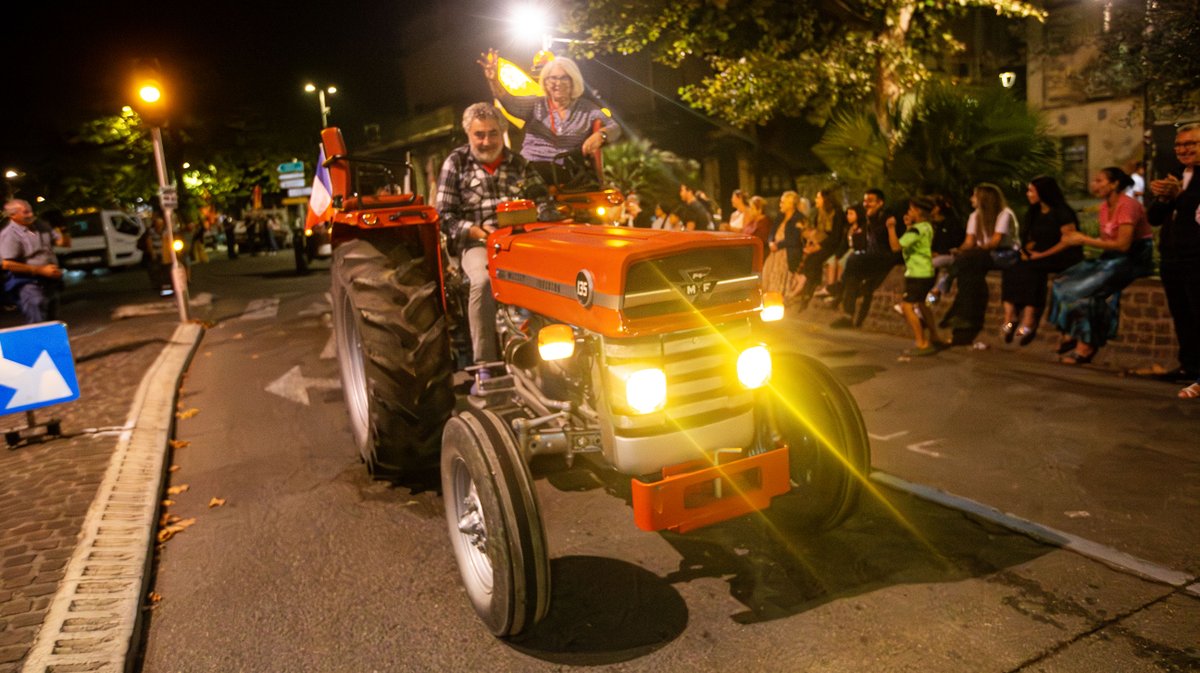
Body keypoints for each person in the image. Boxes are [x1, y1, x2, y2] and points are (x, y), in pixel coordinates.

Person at [436, 103, 548, 368]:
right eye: (480, 134)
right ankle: (484, 365)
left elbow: (544, 201)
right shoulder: (456, 163)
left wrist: (543, 219)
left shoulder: (519, 164)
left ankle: (546, 354)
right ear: (468, 134)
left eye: (493, 133)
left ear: (502, 132)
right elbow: (443, 216)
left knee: (550, 276)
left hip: (519, 243)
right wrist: (474, 230)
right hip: (477, 244)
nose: (486, 141)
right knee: (485, 281)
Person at [1048, 167, 1154, 365]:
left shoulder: (1127, 206)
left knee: (1085, 291)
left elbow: (1123, 245)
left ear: (1114, 184)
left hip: (1132, 258)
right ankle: (1071, 332)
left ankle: (1085, 346)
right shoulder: (1105, 207)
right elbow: (1107, 241)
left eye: (1099, 180)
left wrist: (1084, 240)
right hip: (1111, 257)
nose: (1093, 185)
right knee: (1062, 281)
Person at [480, 51, 619, 185]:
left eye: (563, 78)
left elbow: (614, 127)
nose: (557, 83)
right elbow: (509, 102)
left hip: (565, 170)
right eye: (552, 78)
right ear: (545, 83)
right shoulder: (536, 105)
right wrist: (494, 81)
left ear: (573, 81)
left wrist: (602, 135)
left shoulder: (587, 109)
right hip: (531, 167)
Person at [1147, 123, 1200, 391]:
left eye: (1191, 143)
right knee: (1182, 314)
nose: (1183, 149)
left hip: (1197, 257)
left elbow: (1194, 212)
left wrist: (1178, 195)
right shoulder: (1176, 174)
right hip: (1173, 256)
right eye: (1179, 145)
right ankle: (1188, 366)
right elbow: (1153, 218)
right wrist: (1163, 198)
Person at [1000, 177, 1083, 346]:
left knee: (1032, 269)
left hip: (1061, 255)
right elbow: (1030, 237)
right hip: (1038, 253)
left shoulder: (1062, 212)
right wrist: (1026, 251)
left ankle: (1030, 316)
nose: (1028, 194)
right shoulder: (1034, 212)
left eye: (1031, 191)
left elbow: (1069, 241)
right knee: (1011, 266)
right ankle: (1010, 315)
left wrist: (1041, 255)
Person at [938, 183, 1019, 345]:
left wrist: (970, 252)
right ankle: (962, 324)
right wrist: (960, 250)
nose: (971, 199)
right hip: (982, 256)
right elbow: (969, 242)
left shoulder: (1004, 214)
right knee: (967, 278)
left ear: (984, 199)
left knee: (966, 262)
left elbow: (995, 242)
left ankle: (944, 282)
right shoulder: (975, 216)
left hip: (1004, 254)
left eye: (974, 196)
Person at [832, 189, 897, 328]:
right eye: (865, 201)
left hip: (884, 258)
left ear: (880, 203)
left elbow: (882, 239)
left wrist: (872, 217)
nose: (866, 204)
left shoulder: (885, 217)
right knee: (852, 280)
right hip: (871, 258)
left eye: (870, 201)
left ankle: (840, 286)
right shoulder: (868, 219)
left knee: (854, 259)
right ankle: (848, 316)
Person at [887, 196, 941, 356]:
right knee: (923, 304)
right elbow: (911, 243)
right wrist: (909, 226)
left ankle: (921, 342)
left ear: (918, 211)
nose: (908, 212)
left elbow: (896, 246)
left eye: (911, 209)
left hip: (917, 273)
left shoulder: (916, 230)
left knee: (907, 306)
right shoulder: (926, 226)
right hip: (927, 271)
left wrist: (891, 228)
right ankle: (934, 336)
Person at [0, 199, 64, 323]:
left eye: (30, 211)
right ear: (13, 215)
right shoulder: (9, 235)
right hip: (28, 284)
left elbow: (62, 242)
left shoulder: (40, 226)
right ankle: (39, 342)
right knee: (38, 319)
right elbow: (6, 264)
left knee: (52, 320)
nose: (30, 215)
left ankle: (50, 342)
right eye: (25, 212)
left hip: (48, 282)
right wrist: (41, 270)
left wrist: (63, 227)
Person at [794, 187, 847, 309]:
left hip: (833, 244)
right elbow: (818, 231)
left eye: (818, 197)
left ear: (826, 199)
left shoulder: (837, 213)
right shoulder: (819, 213)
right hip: (822, 242)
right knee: (811, 259)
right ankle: (808, 290)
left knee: (815, 258)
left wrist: (818, 246)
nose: (816, 200)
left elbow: (835, 236)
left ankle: (808, 290)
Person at [763, 191, 802, 294]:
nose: (780, 205)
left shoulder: (798, 218)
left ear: (791, 204)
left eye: (783, 202)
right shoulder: (780, 216)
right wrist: (770, 242)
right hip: (774, 251)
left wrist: (779, 245)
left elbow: (794, 239)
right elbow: (772, 231)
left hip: (786, 251)